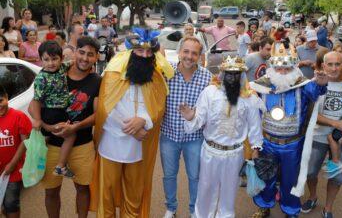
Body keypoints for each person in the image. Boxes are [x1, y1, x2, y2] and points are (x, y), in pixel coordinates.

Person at [89, 29, 174, 217]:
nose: (144, 56)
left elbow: (159, 107)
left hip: (138, 148)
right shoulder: (112, 73)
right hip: (111, 144)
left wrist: (143, 120)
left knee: (134, 195)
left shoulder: (156, 77)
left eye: (149, 52)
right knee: (107, 195)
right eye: (139, 51)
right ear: (130, 52)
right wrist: (132, 129)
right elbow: (105, 108)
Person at [179, 56, 263, 218]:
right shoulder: (210, 93)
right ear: (222, 74)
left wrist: (255, 148)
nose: (232, 78)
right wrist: (190, 117)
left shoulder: (249, 98)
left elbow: (254, 126)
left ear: (242, 76)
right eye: (229, 74)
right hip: (210, 151)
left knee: (229, 191)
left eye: (236, 74)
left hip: (234, 154)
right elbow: (198, 120)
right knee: (205, 188)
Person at [250, 43, 328, 218]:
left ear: (294, 67)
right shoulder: (262, 85)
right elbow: (252, 112)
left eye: (287, 68)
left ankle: (290, 210)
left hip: (293, 144)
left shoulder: (302, 84)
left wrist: (322, 84)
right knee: (266, 177)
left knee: (290, 180)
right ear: (272, 67)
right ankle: (264, 206)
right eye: (278, 67)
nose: (282, 72)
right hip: (267, 142)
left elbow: (316, 91)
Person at [32, 36, 101, 218]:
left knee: (83, 189)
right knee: (51, 191)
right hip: (52, 143)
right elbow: (34, 104)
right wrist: (48, 126)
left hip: (82, 144)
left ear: (96, 58)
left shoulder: (97, 80)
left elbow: (98, 115)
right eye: (82, 52)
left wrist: (75, 127)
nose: (85, 58)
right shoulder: (54, 72)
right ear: (74, 51)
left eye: (90, 55)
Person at [161, 36, 212, 218]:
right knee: (169, 175)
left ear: (199, 56)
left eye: (194, 53)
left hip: (195, 138)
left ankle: (194, 210)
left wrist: (196, 114)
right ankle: (171, 208)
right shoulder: (166, 73)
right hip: (168, 135)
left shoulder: (207, 77)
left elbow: (211, 108)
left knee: (195, 177)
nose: (189, 56)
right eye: (186, 51)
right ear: (179, 52)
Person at [301, 51, 342, 218]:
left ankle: (328, 209)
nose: (333, 68)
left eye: (337, 64)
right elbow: (309, 115)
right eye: (329, 64)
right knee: (310, 173)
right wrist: (335, 123)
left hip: (341, 141)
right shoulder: (313, 84)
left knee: (337, 178)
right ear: (323, 66)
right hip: (317, 137)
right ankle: (312, 196)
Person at [30, 41, 76, 178]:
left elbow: (72, 62)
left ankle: (34, 165)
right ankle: (60, 166)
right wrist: (38, 120)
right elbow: (37, 100)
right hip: (52, 113)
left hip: (58, 112)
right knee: (71, 135)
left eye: (54, 59)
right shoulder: (41, 78)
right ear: (41, 60)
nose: (51, 63)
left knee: (45, 139)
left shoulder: (62, 67)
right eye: (46, 60)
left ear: (61, 58)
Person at [0, 85, 32, 218]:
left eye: (0, 100)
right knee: (4, 203)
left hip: (13, 169)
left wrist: (12, 164)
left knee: (11, 202)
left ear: (7, 97)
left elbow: (25, 141)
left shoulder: (18, 116)